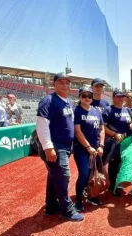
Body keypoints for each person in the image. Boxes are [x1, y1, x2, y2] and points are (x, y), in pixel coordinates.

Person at [36, 73, 83, 221]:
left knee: (54, 176)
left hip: (65, 146)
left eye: (67, 82)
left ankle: (51, 206)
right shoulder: (48, 100)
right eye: (61, 82)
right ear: (54, 84)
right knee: (63, 176)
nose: (64, 85)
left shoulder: (68, 101)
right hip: (55, 146)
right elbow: (42, 124)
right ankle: (66, 210)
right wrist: (48, 146)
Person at [73, 87, 105, 212]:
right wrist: (88, 147)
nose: (87, 98)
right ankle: (79, 200)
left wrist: (101, 145)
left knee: (93, 175)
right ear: (79, 97)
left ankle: (92, 195)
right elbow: (77, 131)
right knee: (84, 174)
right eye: (84, 96)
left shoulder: (96, 111)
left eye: (89, 96)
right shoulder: (77, 111)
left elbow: (102, 129)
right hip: (82, 149)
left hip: (96, 149)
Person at [102, 89, 132, 196]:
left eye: (122, 96)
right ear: (113, 97)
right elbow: (102, 127)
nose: (121, 98)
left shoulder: (127, 110)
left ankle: (116, 185)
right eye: (118, 96)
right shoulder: (108, 110)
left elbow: (130, 125)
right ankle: (111, 187)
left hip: (125, 143)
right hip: (112, 143)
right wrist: (114, 134)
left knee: (122, 165)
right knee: (112, 165)